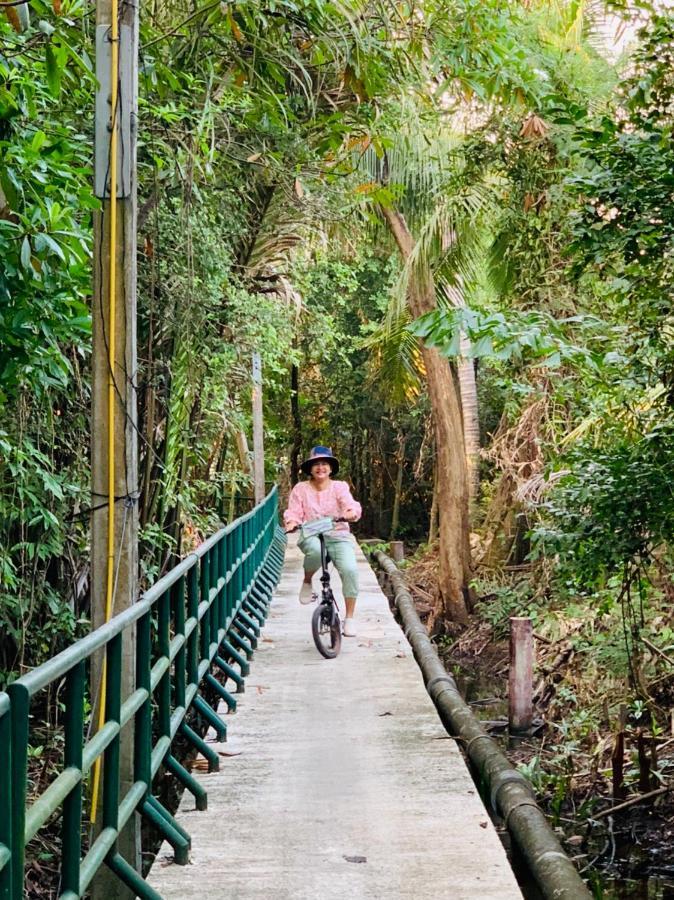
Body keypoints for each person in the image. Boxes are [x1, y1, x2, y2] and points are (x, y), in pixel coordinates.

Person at [284, 446, 362, 637]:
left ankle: (349, 618)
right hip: (311, 534)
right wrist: (292, 522)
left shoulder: (339, 487)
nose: (320, 468)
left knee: (350, 570)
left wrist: (350, 513)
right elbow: (293, 511)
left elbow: (349, 505)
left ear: (330, 468)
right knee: (317, 552)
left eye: (324, 464)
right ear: (310, 469)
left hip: (338, 535)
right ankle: (307, 580)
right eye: (316, 464)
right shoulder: (301, 489)